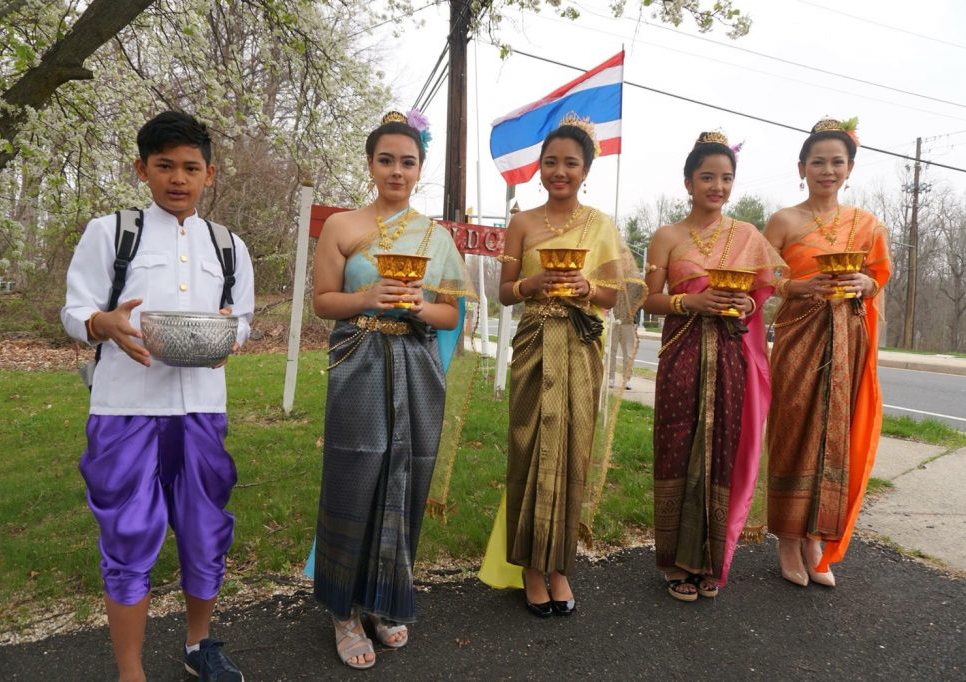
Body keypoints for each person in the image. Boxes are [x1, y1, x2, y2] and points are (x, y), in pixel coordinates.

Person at [61, 111, 253, 682]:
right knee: (128, 534)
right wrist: (103, 323)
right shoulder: (111, 232)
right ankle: (130, 670)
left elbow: (239, 318)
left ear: (209, 174)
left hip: (201, 405)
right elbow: (74, 310)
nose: (178, 178)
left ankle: (199, 645)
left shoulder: (227, 245)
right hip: (125, 408)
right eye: (164, 165)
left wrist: (230, 337)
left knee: (204, 528)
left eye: (190, 167)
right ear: (141, 169)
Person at [309, 110, 474, 669]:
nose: (396, 171)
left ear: (420, 168)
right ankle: (343, 610)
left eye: (407, 161)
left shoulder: (435, 235)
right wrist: (368, 298)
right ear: (371, 165)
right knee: (355, 472)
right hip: (358, 357)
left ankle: (384, 601)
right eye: (386, 160)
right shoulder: (342, 227)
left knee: (408, 471)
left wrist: (417, 305)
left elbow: (451, 314)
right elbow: (323, 302)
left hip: (417, 362)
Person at [492, 115, 645, 617]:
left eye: (570, 163)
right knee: (529, 444)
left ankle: (560, 567)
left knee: (574, 447)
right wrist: (529, 286)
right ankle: (530, 568)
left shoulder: (601, 224)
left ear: (586, 170)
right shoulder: (522, 222)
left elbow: (624, 295)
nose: (560, 171)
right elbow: (503, 293)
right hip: (535, 339)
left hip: (581, 344)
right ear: (540, 167)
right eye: (551, 161)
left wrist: (586, 288)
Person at [642, 131, 784, 602]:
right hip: (681, 352)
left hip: (730, 355)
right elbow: (649, 300)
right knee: (678, 445)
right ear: (688, 182)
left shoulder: (747, 236)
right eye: (707, 177)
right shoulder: (666, 236)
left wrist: (743, 301)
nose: (717, 186)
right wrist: (692, 300)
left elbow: (763, 297)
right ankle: (676, 561)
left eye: (726, 177)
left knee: (722, 448)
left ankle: (711, 561)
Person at [764, 117, 891, 587]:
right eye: (818, 161)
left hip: (847, 339)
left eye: (837, 161)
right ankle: (787, 537)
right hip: (799, 333)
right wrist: (798, 285)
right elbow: (762, 277)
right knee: (794, 427)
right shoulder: (784, 221)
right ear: (802, 167)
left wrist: (867, 282)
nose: (827, 169)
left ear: (850, 168)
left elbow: (880, 273)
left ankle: (817, 533)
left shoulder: (866, 223)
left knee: (834, 432)